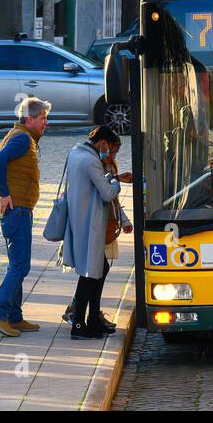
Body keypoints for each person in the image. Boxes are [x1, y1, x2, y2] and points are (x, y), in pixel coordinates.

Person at [0, 97, 50, 338]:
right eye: (42, 119)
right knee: (21, 264)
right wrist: (3, 193)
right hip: (17, 209)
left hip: (18, 208)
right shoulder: (22, 138)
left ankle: (15, 316)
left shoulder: (18, 136)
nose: (46, 124)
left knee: (17, 262)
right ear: (29, 119)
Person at [62, 125, 129, 340]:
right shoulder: (91, 161)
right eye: (111, 150)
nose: (111, 154)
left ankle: (91, 319)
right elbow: (108, 193)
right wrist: (117, 180)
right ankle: (79, 325)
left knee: (99, 268)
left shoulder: (76, 152)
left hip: (81, 218)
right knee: (89, 273)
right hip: (89, 221)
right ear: (102, 143)